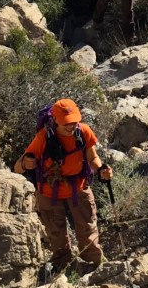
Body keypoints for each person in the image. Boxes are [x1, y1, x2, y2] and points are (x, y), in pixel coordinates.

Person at [14, 98, 113, 274]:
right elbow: (17, 167)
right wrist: (25, 164)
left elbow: (92, 157)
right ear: (56, 120)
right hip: (49, 191)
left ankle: (95, 265)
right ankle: (64, 267)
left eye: (74, 121)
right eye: (67, 123)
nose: (71, 126)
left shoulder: (83, 131)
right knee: (56, 233)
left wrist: (101, 169)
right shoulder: (43, 137)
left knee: (87, 228)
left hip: (79, 187)